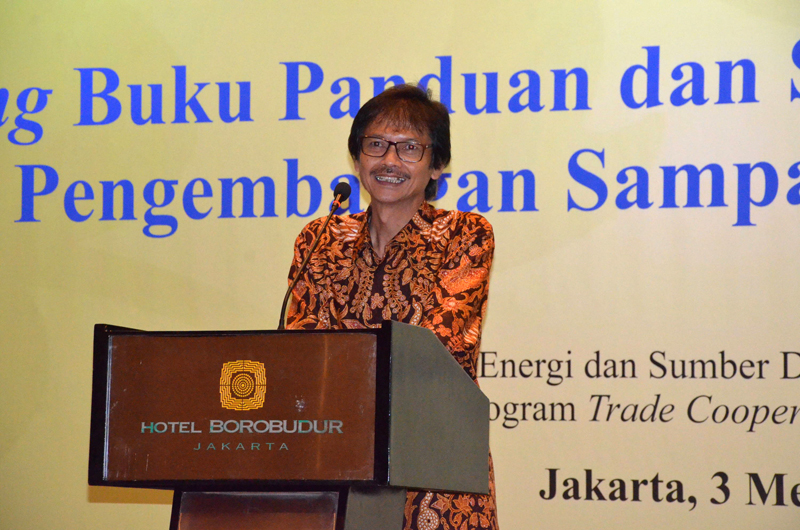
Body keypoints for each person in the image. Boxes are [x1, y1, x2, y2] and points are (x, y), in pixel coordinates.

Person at [286, 84, 498, 530]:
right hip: (340, 461)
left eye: (409, 148)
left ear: (437, 165)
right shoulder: (321, 239)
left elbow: (444, 348)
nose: (389, 160)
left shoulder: (464, 234)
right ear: (357, 158)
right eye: (376, 145)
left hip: (436, 463)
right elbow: (302, 352)